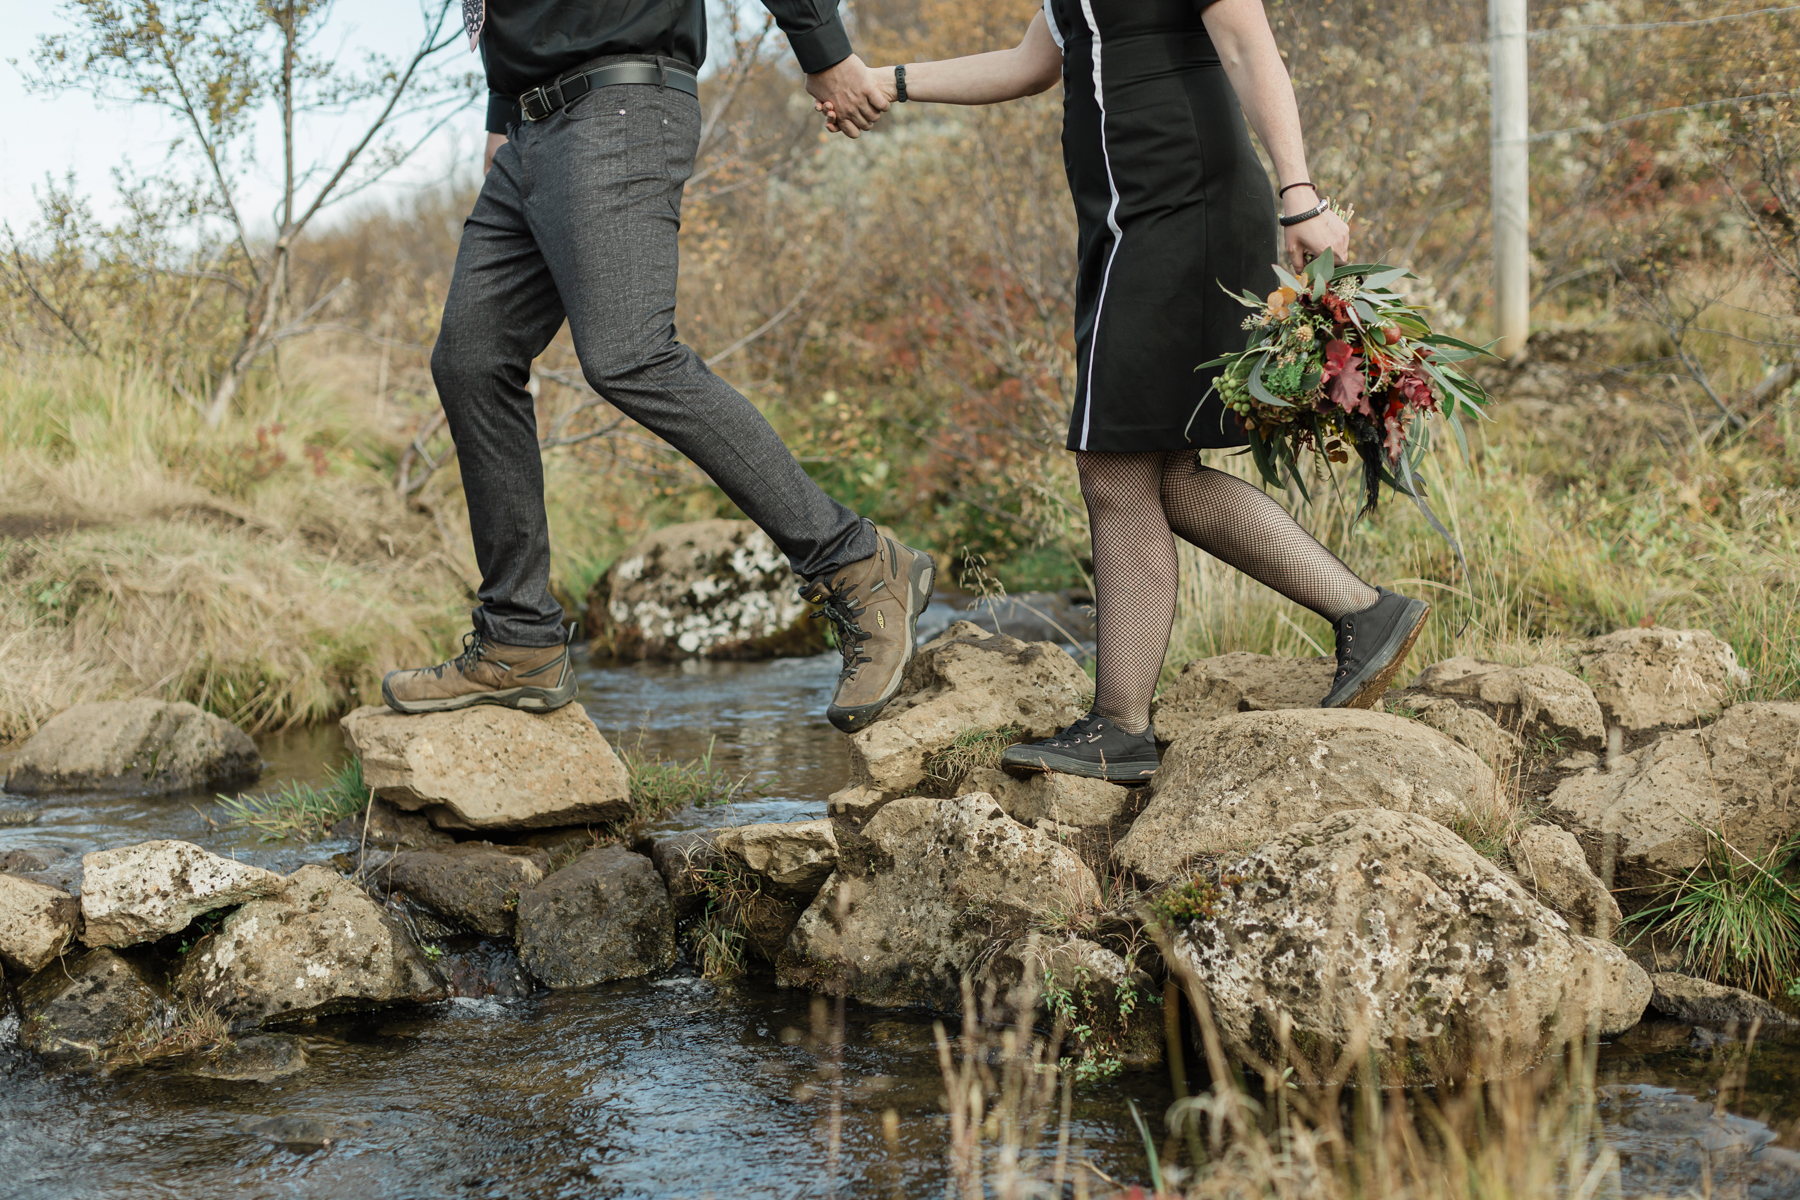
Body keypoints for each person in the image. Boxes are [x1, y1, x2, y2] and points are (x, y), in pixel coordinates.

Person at [827, 0, 1430, 781]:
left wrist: (1301, 196)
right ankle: (1362, 612)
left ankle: (1121, 724)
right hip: (1126, 220)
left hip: (1182, 207)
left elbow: (1249, 45)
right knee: (1158, 471)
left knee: (1113, 467)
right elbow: (1030, 64)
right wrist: (883, 82)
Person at [383, 0, 935, 735]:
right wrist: (500, 109)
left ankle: (858, 562)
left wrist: (821, 49)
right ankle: (519, 640)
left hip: (618, 105)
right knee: (470, 359)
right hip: (529, 126)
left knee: (630, 355)